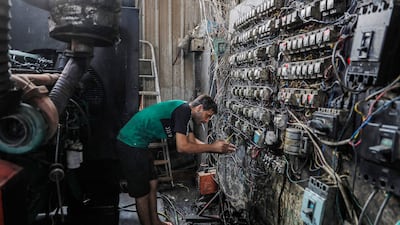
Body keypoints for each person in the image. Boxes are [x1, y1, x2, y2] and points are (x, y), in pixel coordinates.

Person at [116, 94, 236, 225]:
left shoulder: (185, 113)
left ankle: (155, 221)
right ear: (199, 108)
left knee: (153, 182)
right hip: (130, 143)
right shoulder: (183, 110)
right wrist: (213, 147)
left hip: (140, 144)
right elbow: (182, 147)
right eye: (208, 115)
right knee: (142, 192)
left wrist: (217, 147)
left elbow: (192, 141)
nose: (207, 121)